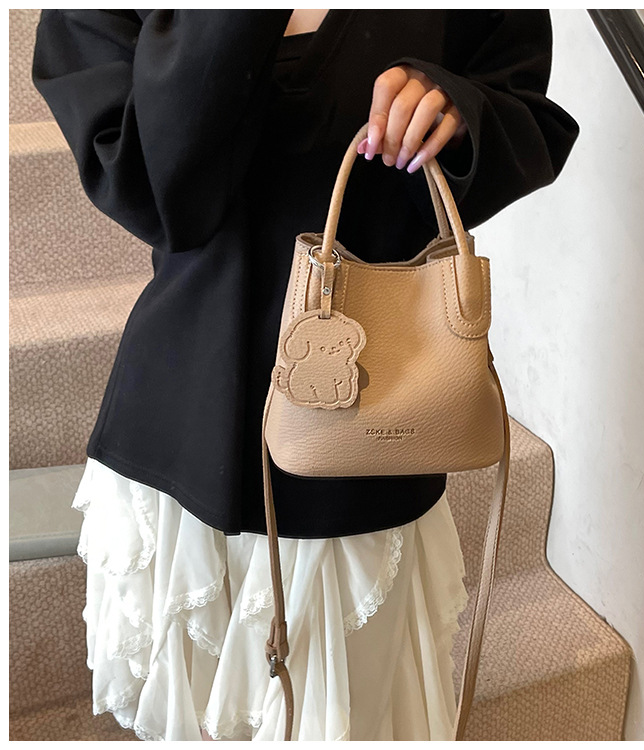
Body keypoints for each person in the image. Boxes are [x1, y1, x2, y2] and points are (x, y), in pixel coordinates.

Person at [31, 9, 579, 741]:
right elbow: (157, 192)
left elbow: (525, 114)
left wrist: (456, 112)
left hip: (371, 427)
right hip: (186, 423)